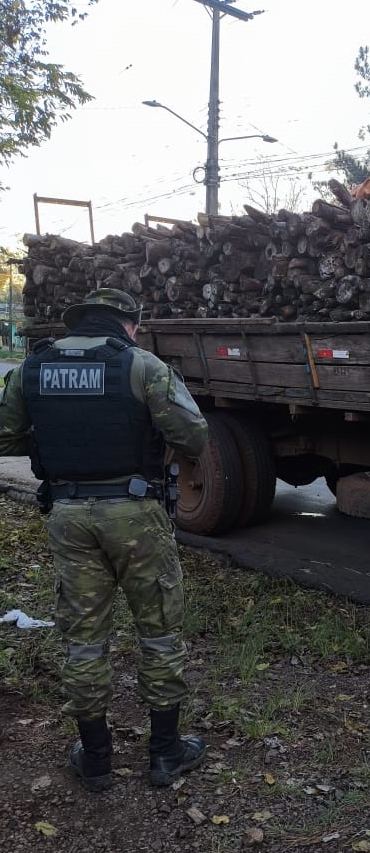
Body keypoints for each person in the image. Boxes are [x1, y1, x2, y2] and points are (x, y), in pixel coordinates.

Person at [0, 287, 210, 792]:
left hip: (69, 515)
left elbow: (4, 437)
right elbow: (195, 438)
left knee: (84, 638)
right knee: (158, 630)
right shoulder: (142, 365)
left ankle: (95, 758)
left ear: (77, 324)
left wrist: (57, 437)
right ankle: (164, 754)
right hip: (135, 513)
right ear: (126, 324)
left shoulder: (32, 369)